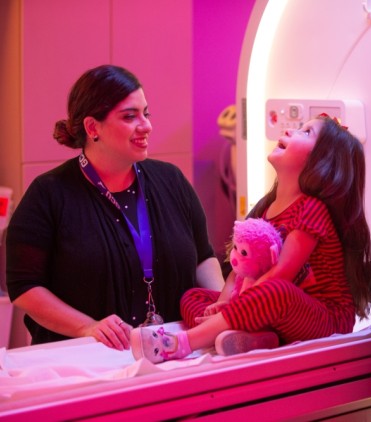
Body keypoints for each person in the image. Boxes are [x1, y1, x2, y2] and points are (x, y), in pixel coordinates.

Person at [6, 65, 224, 350]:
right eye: (130, 116)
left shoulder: (171, 180)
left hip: (174, 351)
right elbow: (25, 287)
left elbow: (203, 257)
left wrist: (218, 307)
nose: (146, 125)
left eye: (145, 113)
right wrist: (87, 326)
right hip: (84, 360)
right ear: (92, 127)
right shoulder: (48, 194)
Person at [130, 113, 371, 362]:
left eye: (306, 132)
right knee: (193, 296)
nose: (291, 131)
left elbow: (281, 275)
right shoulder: (266, 209)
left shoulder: (311, 209)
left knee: (276, 291)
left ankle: (181, 343)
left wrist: (235, 307)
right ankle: (256, 336)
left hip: (325, 317)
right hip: (274, 310)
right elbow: (240, 270)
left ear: (324, 162)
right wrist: (224, 302)